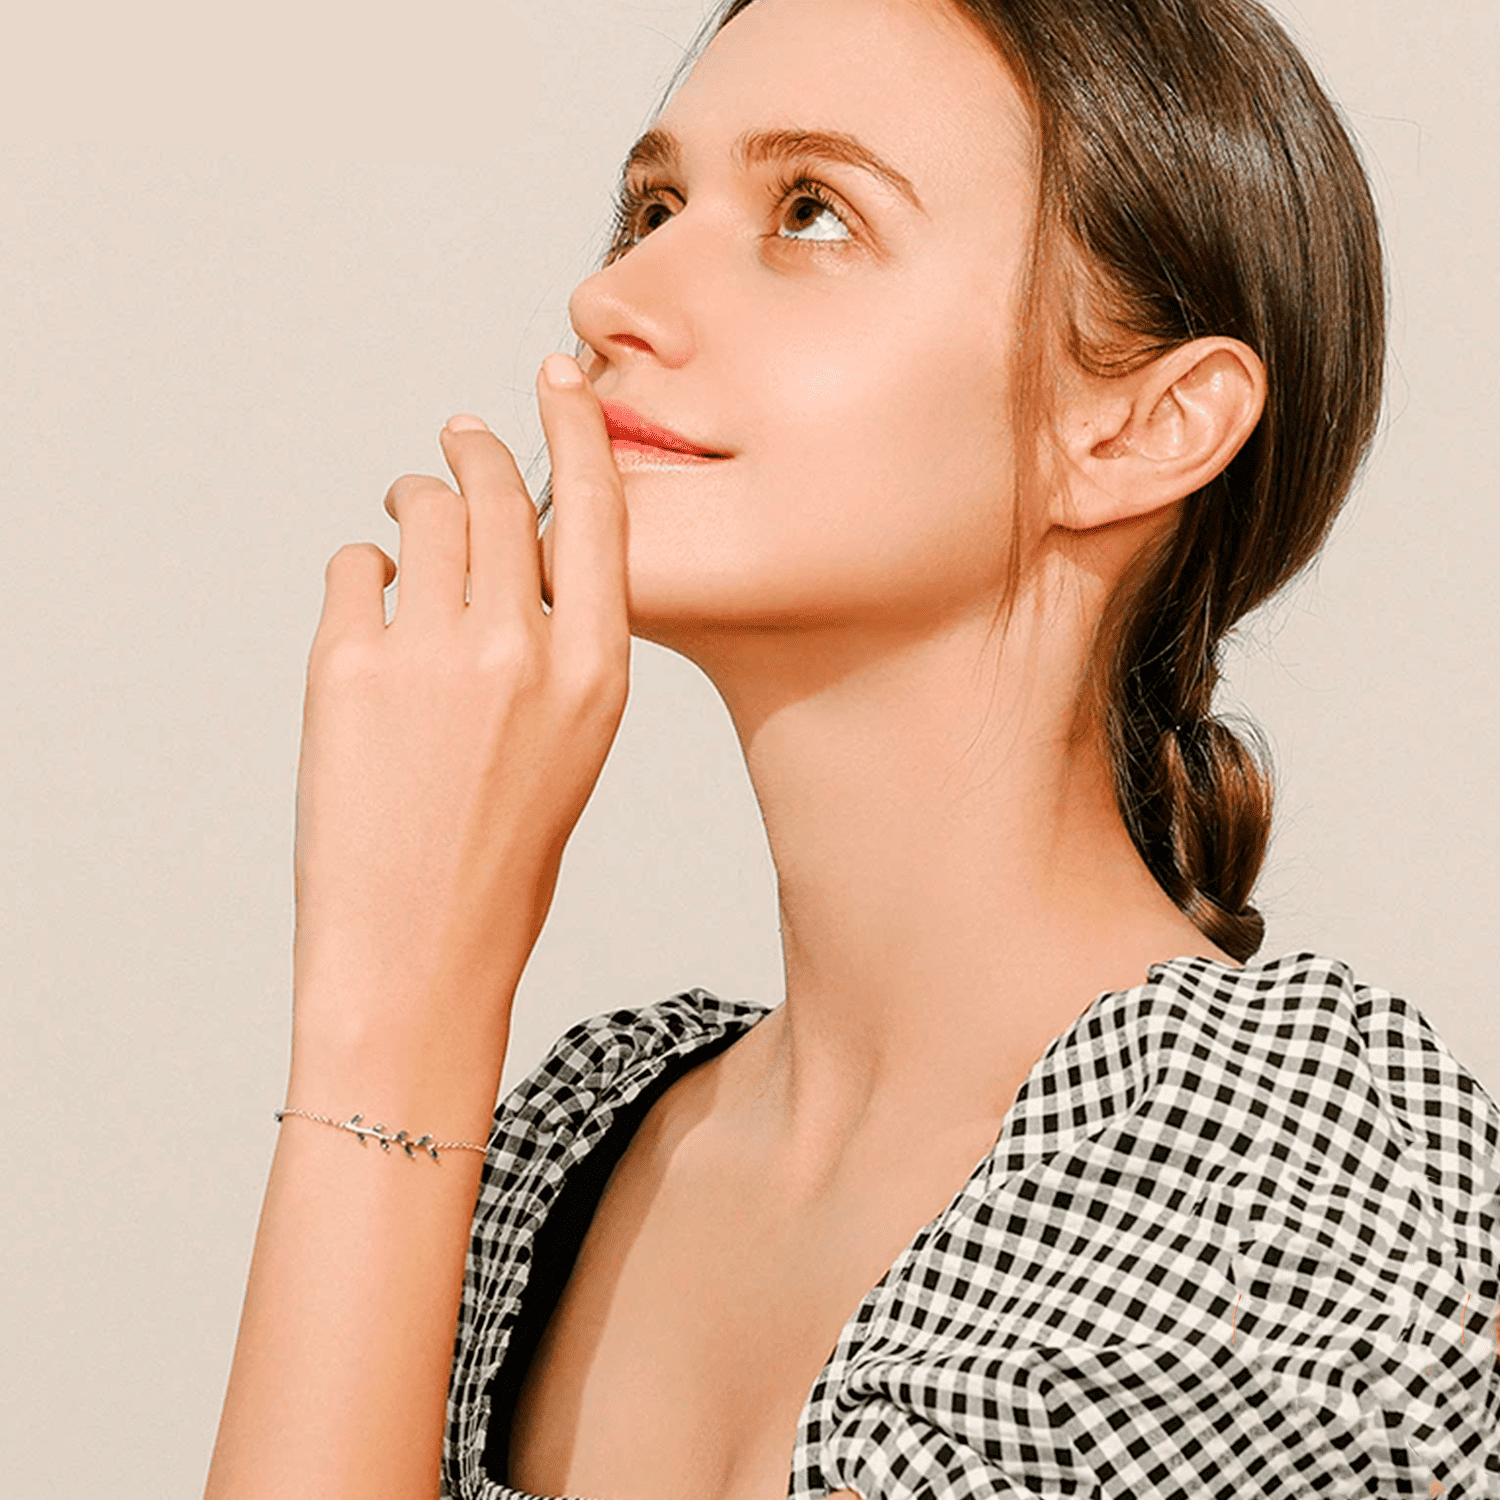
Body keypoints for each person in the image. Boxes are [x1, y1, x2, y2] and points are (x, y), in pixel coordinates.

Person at [204, 0, 1500, 1496]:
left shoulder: (1288, 1200)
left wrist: (404, 1021)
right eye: (655, 205)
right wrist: (396, 1002)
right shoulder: (568, 1149)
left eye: (812, 211)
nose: (612, 295)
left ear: (1140, 427)